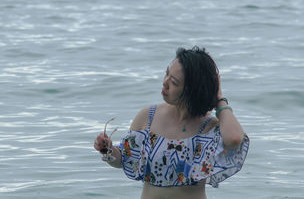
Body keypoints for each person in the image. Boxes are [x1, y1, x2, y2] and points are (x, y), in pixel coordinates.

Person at [94, 46, 249, 199]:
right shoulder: (148, 116)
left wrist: (220, 99)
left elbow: (234, 139)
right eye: (166, 74)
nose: (165, 83)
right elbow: (125, 159)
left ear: (191, 90)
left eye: (174, 82)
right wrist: (108, 149)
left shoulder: (209, 128)